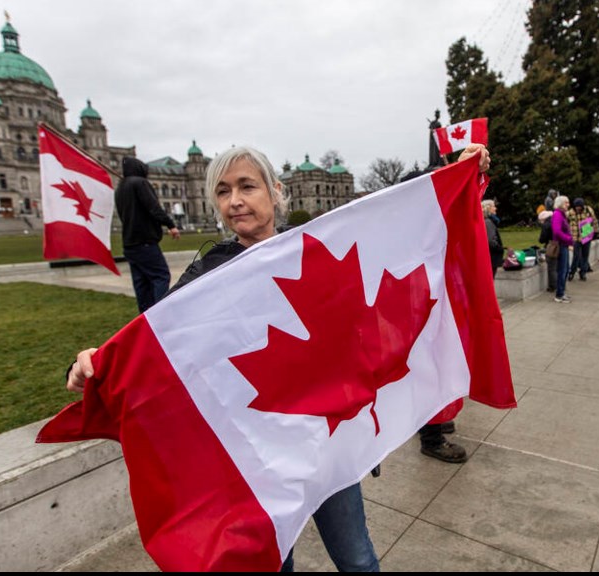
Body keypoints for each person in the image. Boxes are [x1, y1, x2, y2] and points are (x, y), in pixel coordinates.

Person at [67, 144, 491, 569]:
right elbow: (156, 340)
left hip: (326, 439)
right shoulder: (208, 273)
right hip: (264, 455)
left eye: (247, 186)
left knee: (358, 559)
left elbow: (395, 230)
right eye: (223, 190)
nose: (235, 200)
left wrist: (453, 172)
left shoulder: (314, 248)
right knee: (274, 562)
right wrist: (94, 360)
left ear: (275, 191)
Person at [115, 156, 180, 313]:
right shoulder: (140, 183)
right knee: (160, 276)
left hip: (129, 243)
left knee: (141, 282)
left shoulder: (120, 188)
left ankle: (145, 315)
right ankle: (161, 312)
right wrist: (170, 224)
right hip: (144, 240)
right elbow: (153, 208)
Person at [566, 198, 596, 280]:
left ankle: (583, 273)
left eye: (579, 206)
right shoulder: (570, 212)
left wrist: (596, 231)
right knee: (576, 256)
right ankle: (572, 272)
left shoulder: (588, 210)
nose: (577, 208)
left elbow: (594, 220)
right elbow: (565, 222)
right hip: (575, 236)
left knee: (585, 255)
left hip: (586, 234)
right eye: (576, 206)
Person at [551, 195, 573, 302]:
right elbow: (557, 231)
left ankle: (561, 292)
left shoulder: (561, 214)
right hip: (561, 245)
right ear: (560, 203)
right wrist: (568, 239)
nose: (568, 205)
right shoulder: (558, 215)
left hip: (564, 245)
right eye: (566, 202)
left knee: (565, 269)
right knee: (562, 270)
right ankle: (559, 294)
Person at [483, 199, 504, 278]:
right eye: (493, 206)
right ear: (488, 208)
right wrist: (500, 248)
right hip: (492, 258)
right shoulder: (488, 222)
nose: (495, 208)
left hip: (491, 257)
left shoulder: (488, 221)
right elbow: (490, 241)